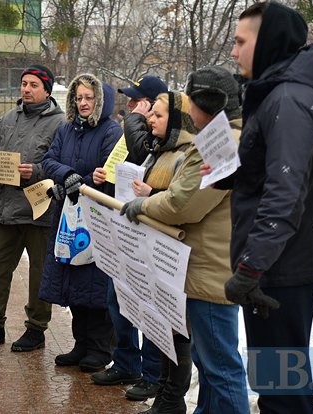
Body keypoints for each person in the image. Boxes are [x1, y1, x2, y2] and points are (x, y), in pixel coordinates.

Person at [203, 2, 313, 413]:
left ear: (269, 42)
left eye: (241, 42)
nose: (234, 51)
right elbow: (271, 173)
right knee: (278, 384)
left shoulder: (289, 100)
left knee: (282, 394)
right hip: (276, 266)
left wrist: (250, 269)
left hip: (280, 271)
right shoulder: (278, 94)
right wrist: (232, 173)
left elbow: (285, 193)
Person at [124, 66, 251, 413]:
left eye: (191, 99)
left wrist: (143, 204)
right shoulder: (225, 136)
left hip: (211, 272)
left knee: (221, 368)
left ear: (205, 104)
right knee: (210, 365)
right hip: (209, 268)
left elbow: (183, 203)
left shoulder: (222, 141)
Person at [0, 64, 65, 352]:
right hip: (6, 208)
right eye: (24, 84)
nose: (26, 89)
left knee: (40, 274)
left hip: (39, 209)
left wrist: (36, 171)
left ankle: (36, 329)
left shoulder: (60, 124)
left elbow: (62, 164)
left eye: (33, 85)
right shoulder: (9, 118)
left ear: (47, 89)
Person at [116, 91, 197, 413]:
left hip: (176, 257)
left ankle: (171, 399)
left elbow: (182, 203)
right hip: (155, 254)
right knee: (163, 328)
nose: (151, 120)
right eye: (153, 115)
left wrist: (151, 194)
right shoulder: (159, 151)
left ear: (177, 121)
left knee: (178, 333)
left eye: (159, 116)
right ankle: (164, 393)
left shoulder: (186, 154)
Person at [90, 75, 168, 401]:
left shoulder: (158, 138)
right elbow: (121, 171)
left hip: (148, 236)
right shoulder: (130, 132)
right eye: (130, 102)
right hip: (121, 228)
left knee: (147, 306)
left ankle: (152, 373)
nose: (131, 108)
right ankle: (125, 361)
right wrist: (102, 178)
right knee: (116, 298)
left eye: (138, 102)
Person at [41, 73, 123, 372]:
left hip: (97, 218)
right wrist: (66, 177)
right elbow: (49, 159)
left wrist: (78, 183)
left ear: (100, 100)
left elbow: (107, 172)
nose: (84, 103)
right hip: (68, 215)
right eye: (79, 98)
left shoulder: (111, 130)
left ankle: (101, 348)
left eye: (89, 98)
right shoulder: (66, 129)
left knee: (95, 283)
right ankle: (81, 344)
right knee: (72, 280)